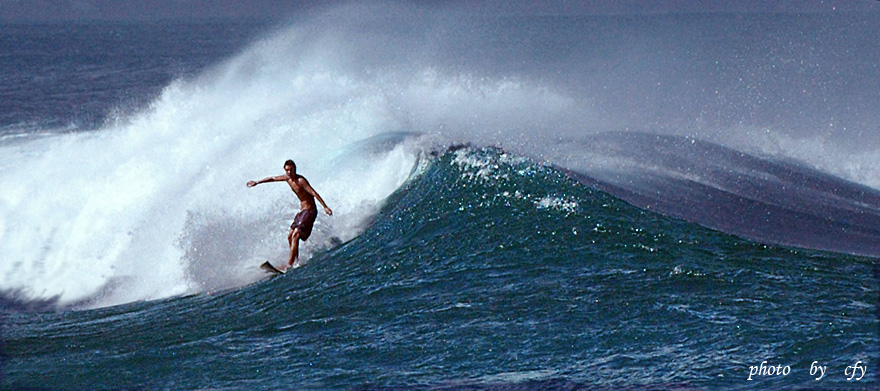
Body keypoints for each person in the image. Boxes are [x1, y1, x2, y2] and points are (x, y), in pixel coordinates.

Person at [247, 159, 332, 271]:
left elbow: (314, 193)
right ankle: (295, 260)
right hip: (302, 212)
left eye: (291, 170)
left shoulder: (301, 180)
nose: (288, 172)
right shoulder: (287, 178)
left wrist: (325, 207)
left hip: (310, 211)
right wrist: (257, 182)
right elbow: (272, 178)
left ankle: (289, 264)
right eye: (287, 170)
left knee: (296, 235)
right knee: (290, 236)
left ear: (295, 169)